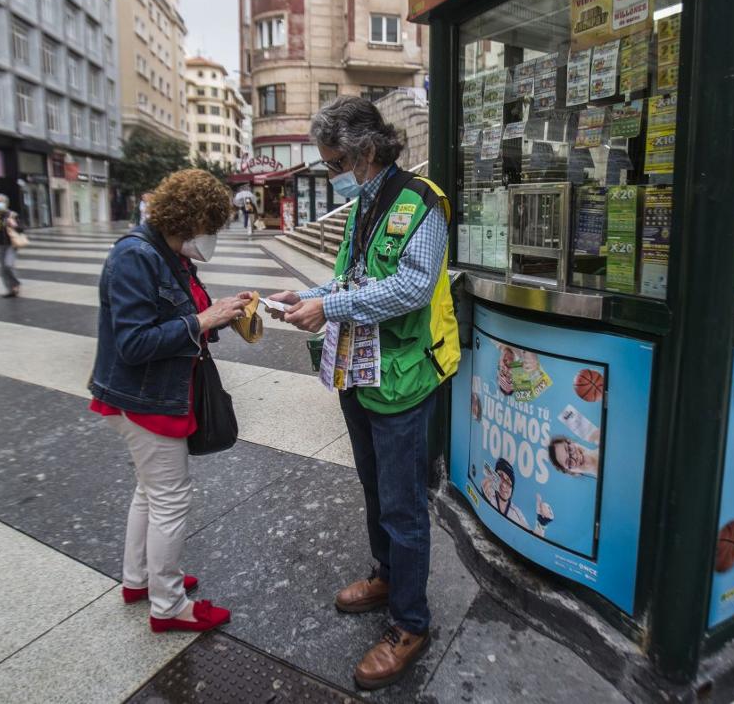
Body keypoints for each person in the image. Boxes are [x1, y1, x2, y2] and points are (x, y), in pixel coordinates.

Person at [268, 96, 459, 690]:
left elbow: (410, 286)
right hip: (360, 372)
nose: (332, 176)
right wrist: (309, 297)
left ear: (366, 151)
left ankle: (410, 621)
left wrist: (331, 305)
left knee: (404, 505)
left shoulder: (421, 202)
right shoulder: (363, 207)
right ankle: (385, 575)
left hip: (404, 378)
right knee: (374, 486)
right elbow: (353, 276)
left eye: (334, 165)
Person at [87, 169, 252, 634]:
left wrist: (222, 311)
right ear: (190, 218)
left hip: (157, 392)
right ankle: (169, 604)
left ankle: (141, 580)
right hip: (145, 398)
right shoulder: (136, 257)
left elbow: (187, 311)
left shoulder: (169, 253)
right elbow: (135, 343)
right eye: (211, 227)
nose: (212, 237)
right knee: (170, 500)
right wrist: (203, 321)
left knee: (150, 492)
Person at [480, 458, 554, 538]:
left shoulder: (516, 512)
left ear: (512, 488)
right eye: (500, 476)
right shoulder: (489, 495)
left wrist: (541, 523)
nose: (504, 485)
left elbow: (532, 538)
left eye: (508, 481)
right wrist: (483, 499)